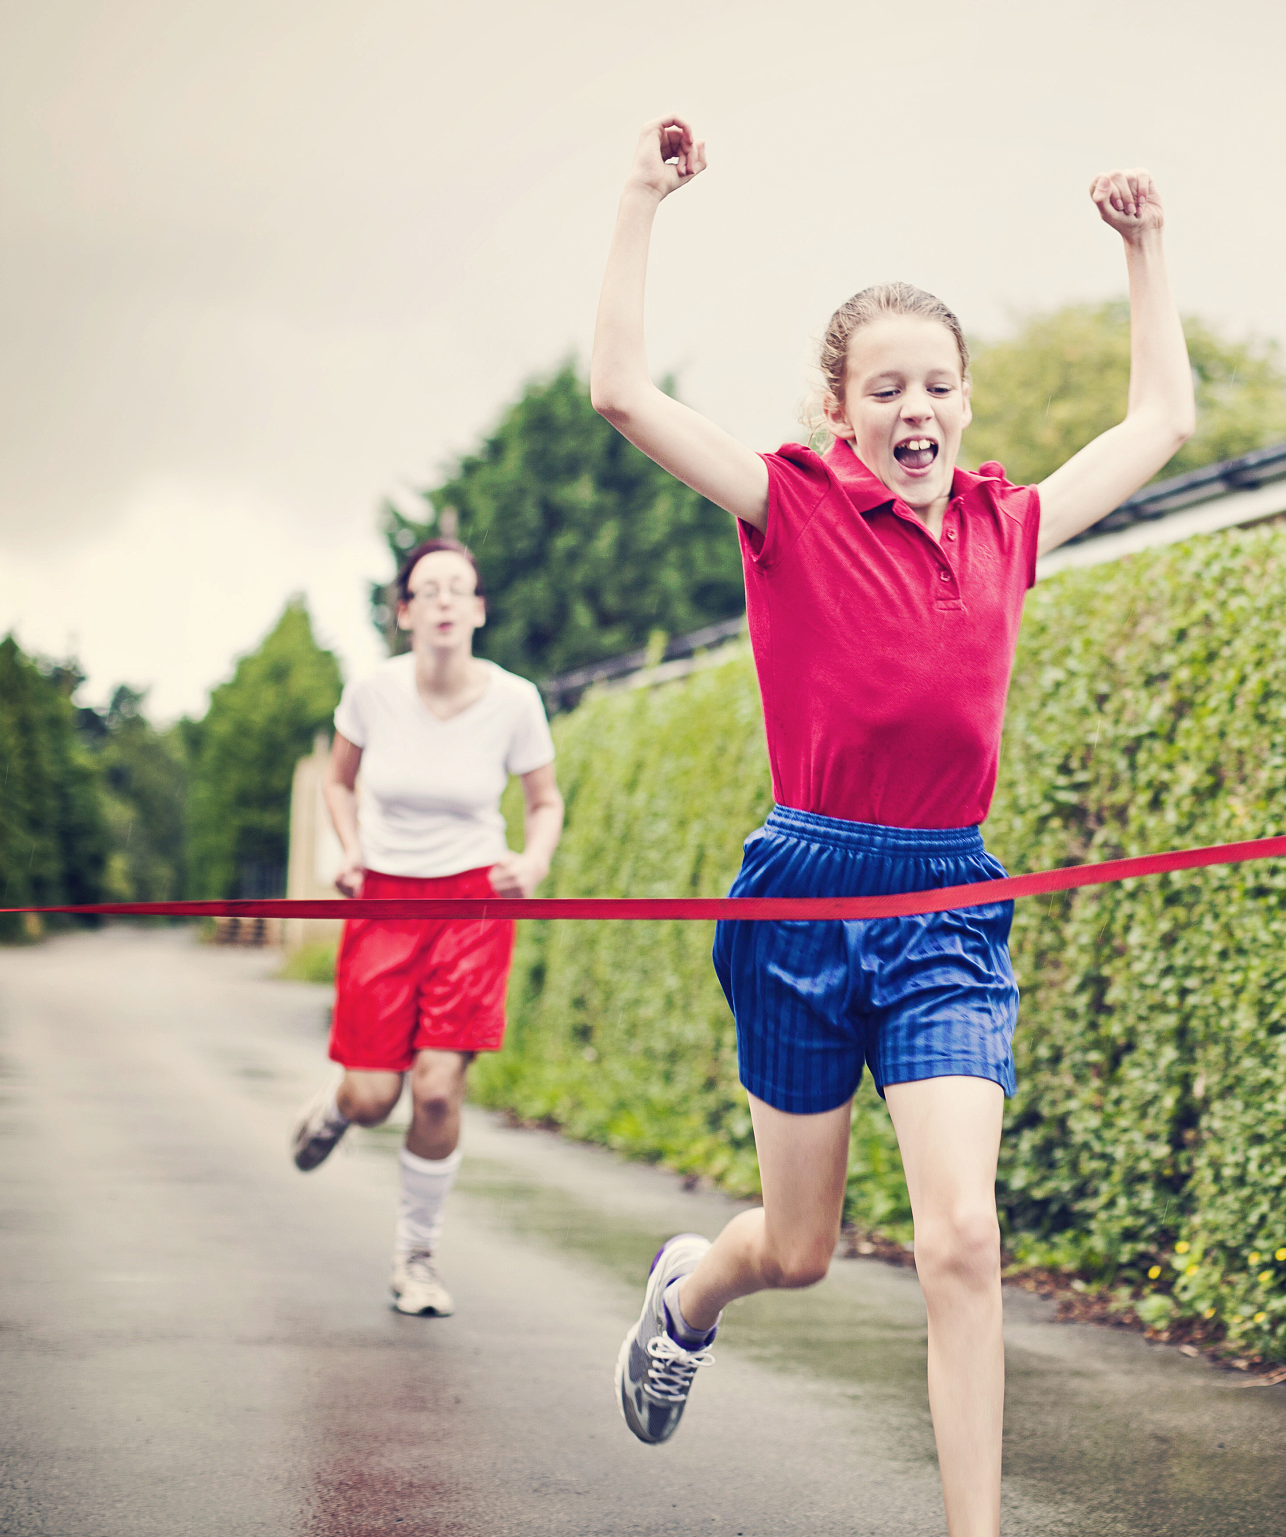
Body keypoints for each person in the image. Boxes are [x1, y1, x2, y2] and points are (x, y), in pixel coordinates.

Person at [589, 118, 1194, 1535]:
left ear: (966, 402)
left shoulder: (1009, 525)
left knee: (963, 1238)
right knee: (797, 1248)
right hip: (801, 892)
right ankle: (693, 1289)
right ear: (840, 406)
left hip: (945, 910)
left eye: (938, 384)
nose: (915, 407)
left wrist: (1145, 248)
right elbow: (620, 391)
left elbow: (1162, 423)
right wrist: (641, 199)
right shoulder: (786, 506)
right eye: (885, 387)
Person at [289, 535, 563, 1319]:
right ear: (405, 612)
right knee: (377, 1095)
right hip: (384, 901)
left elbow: (544, 801)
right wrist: (350, 851)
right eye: (428, 590)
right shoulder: (372, 692)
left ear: (478, 609)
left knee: (438, 1090)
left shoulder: (515, 700)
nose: (444, 602)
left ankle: (417, 1255)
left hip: (473, 907)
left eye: (459, 589)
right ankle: (340, 1106)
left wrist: (533, 861)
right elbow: (339, 785)